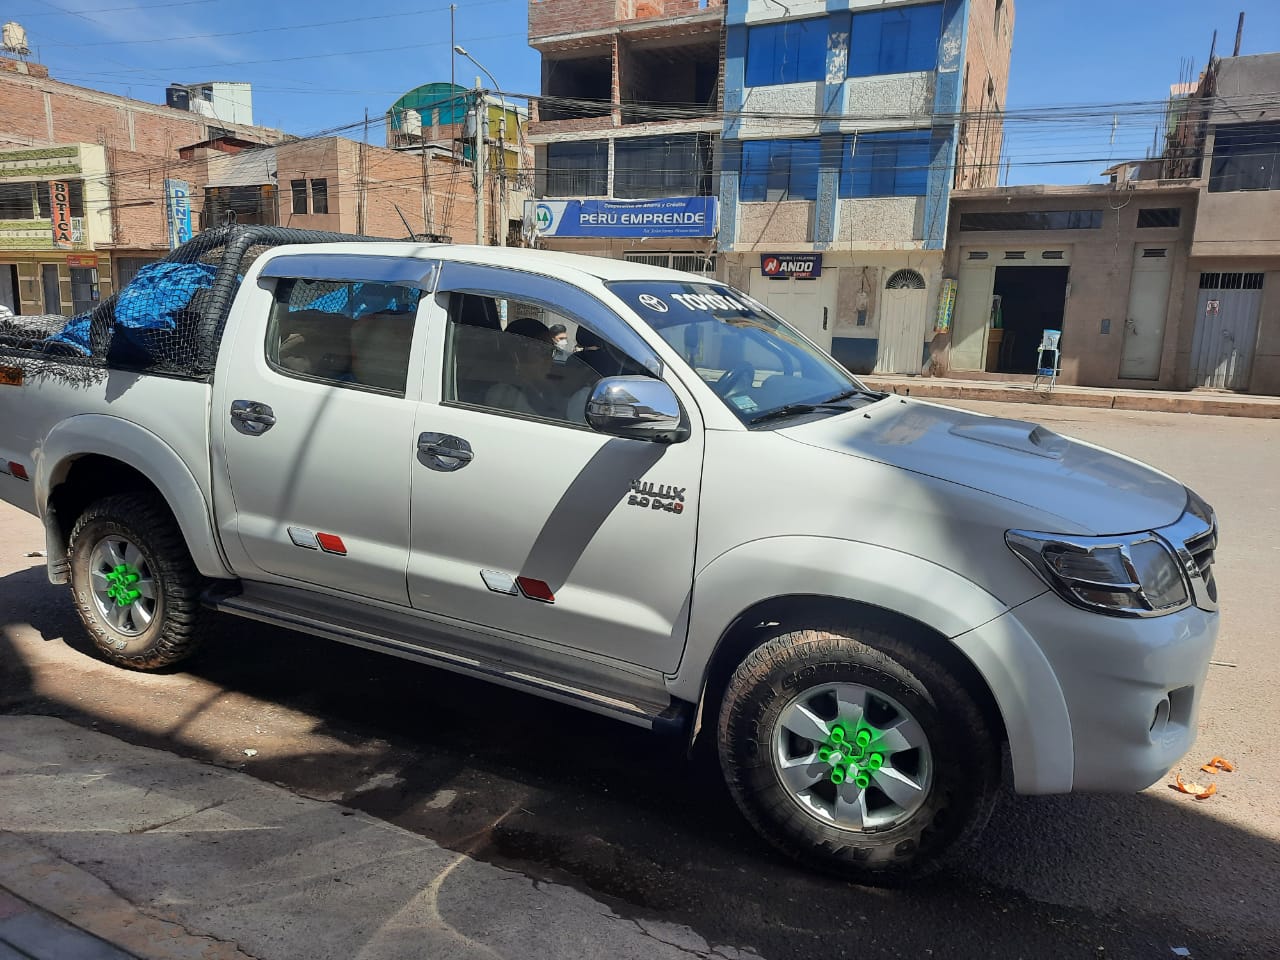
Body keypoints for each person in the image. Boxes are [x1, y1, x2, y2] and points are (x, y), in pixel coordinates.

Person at [484, 317, 562, 418]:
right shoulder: (504, 395)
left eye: (551, 351)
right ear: (516, 354)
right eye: (543, 350)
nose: (549, 359)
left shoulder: (539, 388)